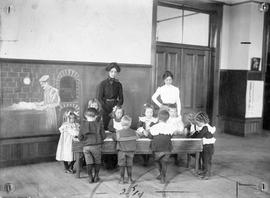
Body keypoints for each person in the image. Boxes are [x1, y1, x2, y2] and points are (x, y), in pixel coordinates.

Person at [78, 108, 106, 183]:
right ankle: (96, 176)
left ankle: (90, 177)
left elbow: (80, 137)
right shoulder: (99, 123)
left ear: (85, 116)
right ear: (96, 116)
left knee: (88, 162)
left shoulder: (83, 124)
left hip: (86, 147)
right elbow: (103, 136)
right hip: (96, 146)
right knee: (97, 161)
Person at [149, 109, 175, 184]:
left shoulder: (154, 127)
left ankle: (161, 174)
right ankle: (163, 177)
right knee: (164, 163)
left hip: (157, 148)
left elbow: (150, 136)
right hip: (167, 148)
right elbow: (171, 136)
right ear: (168, 118)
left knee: (156, 161)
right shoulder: (170, 127)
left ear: (158, 118)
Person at [190, 112, 216, 180]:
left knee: (207, 161)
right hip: (205, 147)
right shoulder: (203, 127)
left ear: (202, 121)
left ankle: (207, 174)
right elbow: (198, 133)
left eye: (197, 122)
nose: (197, 124)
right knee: (204, 160)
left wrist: (194, 135)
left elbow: (199, 136)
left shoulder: (206, 127)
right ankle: (205, 171)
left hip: (208, 148)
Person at [98, 62, 123, 130]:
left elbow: (121, 99)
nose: (113, 73)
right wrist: (106, 108)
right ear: (109, 72)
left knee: (116, 125)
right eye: (112, 71)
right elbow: (100, 98)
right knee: (105, 124)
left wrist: (116, 107)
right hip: (105, 106)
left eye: (115, 72)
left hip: (115, 107)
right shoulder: (103, 83)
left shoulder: (119, 84)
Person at [114, 115, 137, 184]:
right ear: (130, 123)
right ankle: (130, 179)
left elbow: (115, 138)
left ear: (121, 123)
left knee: (122, 166)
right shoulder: (134, 132)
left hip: (121, 152)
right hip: (130, 152)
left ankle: (122, 179)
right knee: (129, 165)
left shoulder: (118, 132)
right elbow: (138, 136)